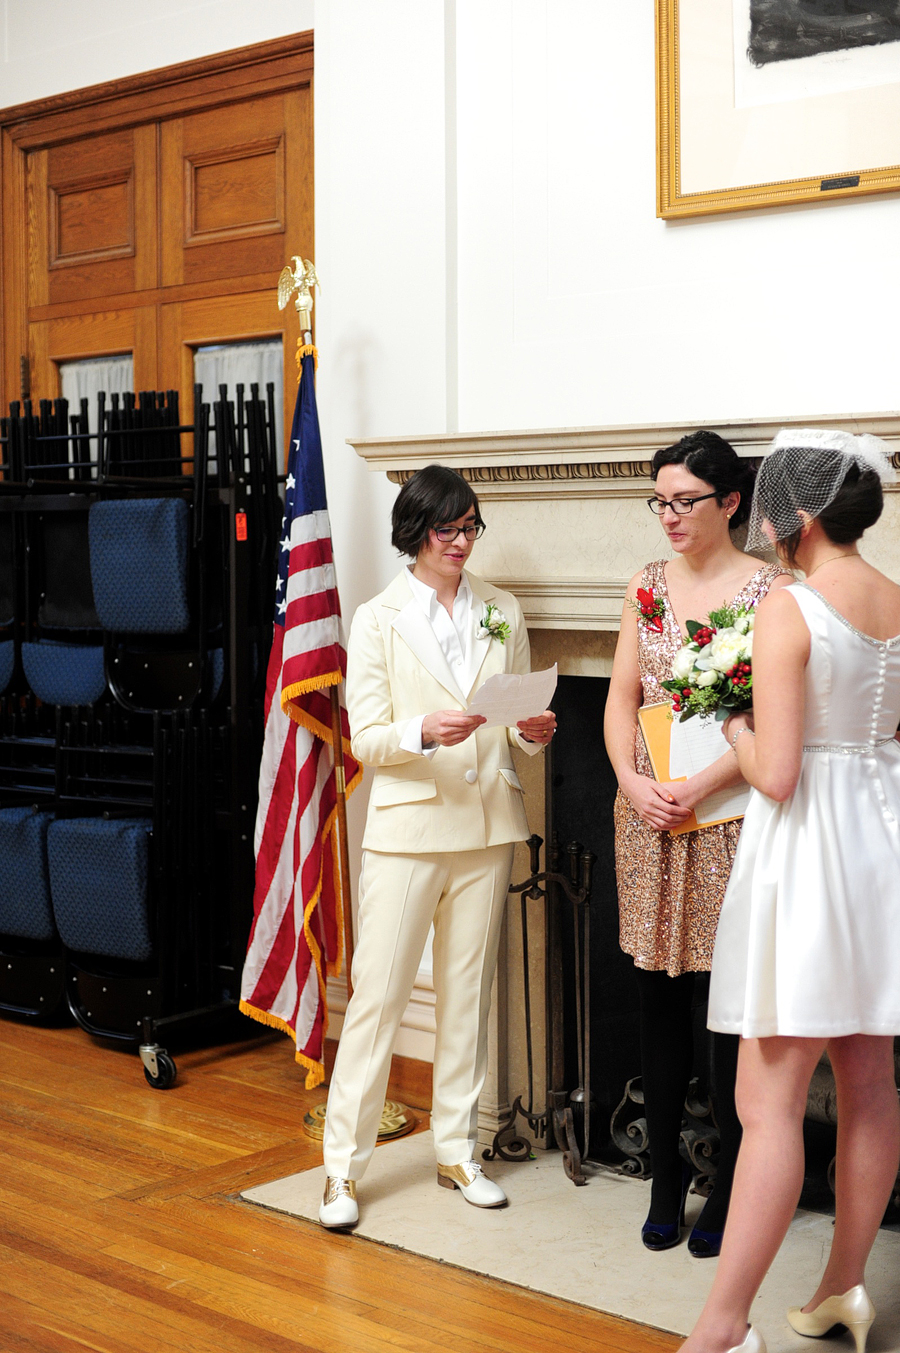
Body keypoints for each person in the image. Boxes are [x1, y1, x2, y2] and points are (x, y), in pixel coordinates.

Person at [681, 428, 900, 1353]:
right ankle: (844, 1285)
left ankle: (723, 1327)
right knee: (870, 1081)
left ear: (801, 515)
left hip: (808, 854)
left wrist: (728, 722)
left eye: (775, 503)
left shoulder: (788, 608)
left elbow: (774, 775)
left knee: (767, 1105)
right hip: (881, 845)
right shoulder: (898, 598)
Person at [319, 463, 556, 1228]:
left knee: (468, 996)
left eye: (470, 527)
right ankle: (340, 1171)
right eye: (447, 528)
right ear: (415, 532)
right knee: (379, 997)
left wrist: (530, 732)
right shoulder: (377, 617)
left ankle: (457, 1150)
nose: (461, 541)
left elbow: (515, 721)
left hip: (487, 824)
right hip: (410, 829)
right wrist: (424, 729)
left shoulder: (502, 609)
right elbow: (366, 740)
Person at [604, 430, 790, 1257]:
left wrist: (702, 785)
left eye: (685, 500)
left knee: (725, 1011)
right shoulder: (645, 587)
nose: (669, 516)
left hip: (730, 819)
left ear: (731, 502)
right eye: (660, 501)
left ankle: (726, 1186)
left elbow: (783, 723)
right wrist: (632, 781)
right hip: (650, 820)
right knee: (656, 1003)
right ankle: (665, 1180)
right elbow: (617, 700)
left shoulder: (774, 592)